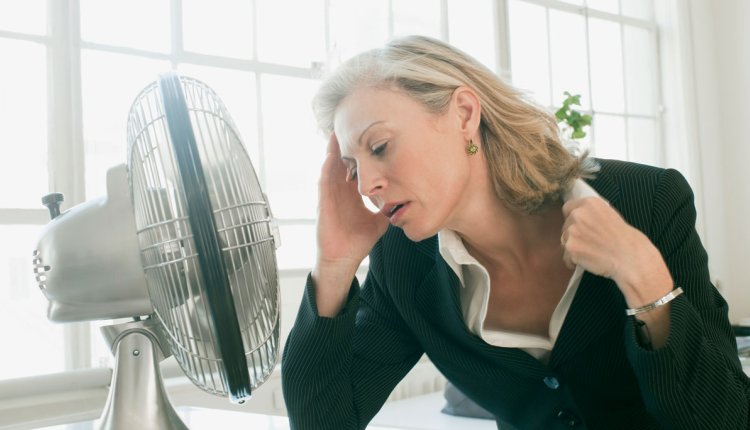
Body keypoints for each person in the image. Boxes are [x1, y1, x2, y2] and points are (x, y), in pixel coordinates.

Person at [281, 35, 749, 430]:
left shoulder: (648, 200)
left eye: (379, 147)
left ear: (464, 114)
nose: (365, 185)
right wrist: (335, 265)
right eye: (351, 167)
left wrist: (645, 279)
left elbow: (726, 418)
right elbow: (324, 420)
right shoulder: (403, 262)